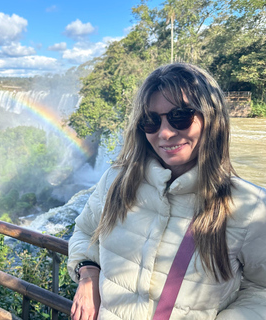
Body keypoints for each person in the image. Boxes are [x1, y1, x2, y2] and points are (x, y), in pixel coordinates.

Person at [68, 63, 266, 319]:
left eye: (180, 116)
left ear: (212, 118)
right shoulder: (116, 181)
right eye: (151, 121)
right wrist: (87, 273)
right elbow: (85, 231)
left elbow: (261, 289)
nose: (165, 133)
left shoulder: (249, 206)